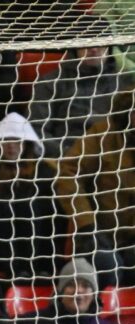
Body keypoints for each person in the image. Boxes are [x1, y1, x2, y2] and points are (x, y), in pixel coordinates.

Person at [0, 112, 62, 280]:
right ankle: (9, 268)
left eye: (16, 141)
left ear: (26, 144)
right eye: (6, 141)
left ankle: (36, 267)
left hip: (40, 248)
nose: (11, 146)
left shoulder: (45, 171)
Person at [55, 88, 135, 288]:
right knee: (107, 265)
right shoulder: (102, 135)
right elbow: (67, 174)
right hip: (99, 236)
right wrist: (87, 224)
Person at [29, 42, 123, 159]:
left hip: (113, 159)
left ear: (109, 47)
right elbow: (37, 130)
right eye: (87, 42)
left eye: (100, 43)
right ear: (76, 48)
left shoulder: (124, 83)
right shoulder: (51, 82)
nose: (93, 48)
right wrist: (68, 155)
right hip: (63, 158)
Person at [16, 258, 124, 324]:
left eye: (86, 286)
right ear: (60, 292)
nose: (78, 291)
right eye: (71, 285)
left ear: (94, 295)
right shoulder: (31, 323)